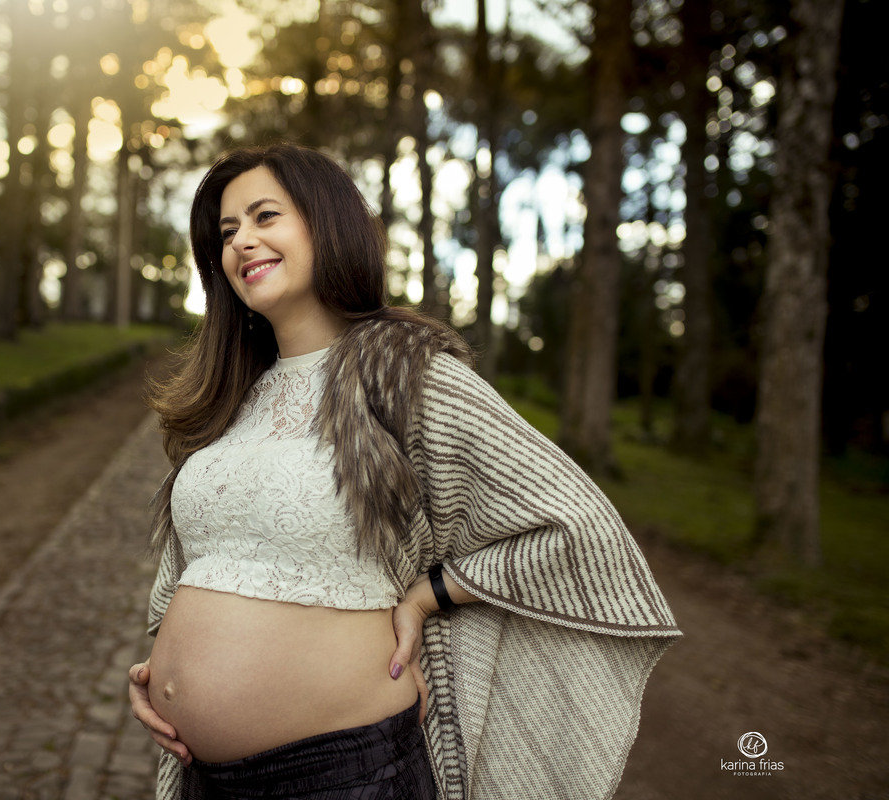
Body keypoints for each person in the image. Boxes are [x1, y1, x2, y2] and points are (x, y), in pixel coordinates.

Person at [128, 142, 680, 800]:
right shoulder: (235, 394)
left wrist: (430, 594)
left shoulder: (408, 375)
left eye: (264, 216)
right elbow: (207, 560)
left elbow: (573, 524)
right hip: (203, 778)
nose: (242, 241)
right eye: (227, 232)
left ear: (327, 225)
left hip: (342, 775)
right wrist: (163, 670)